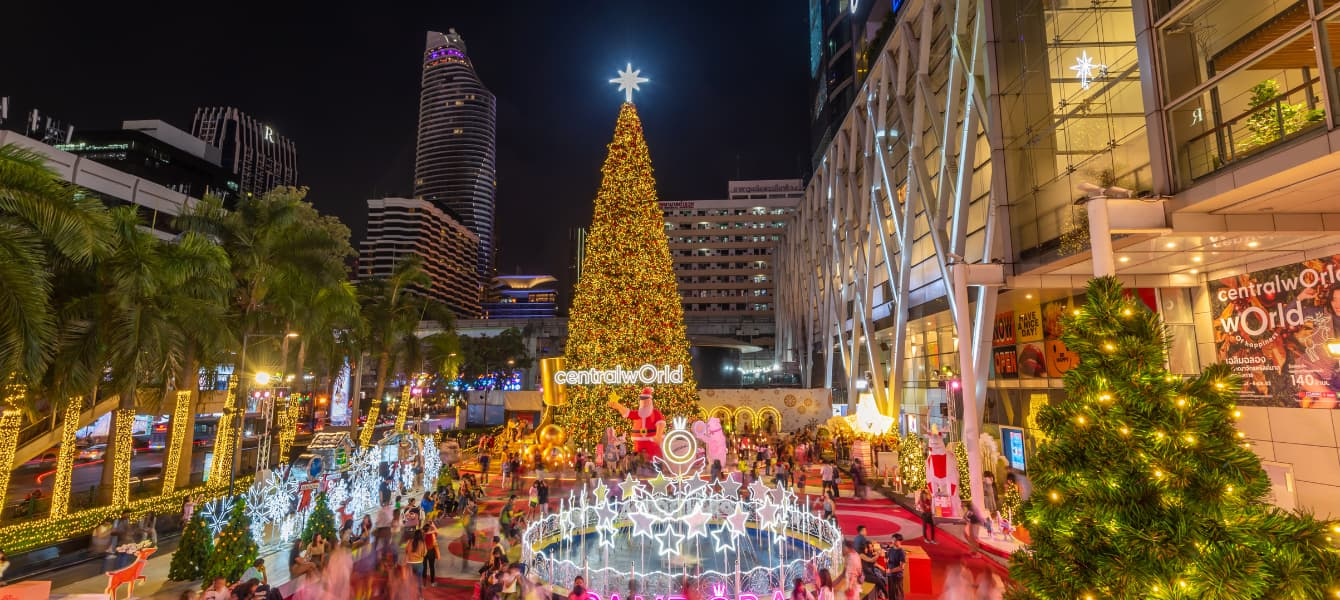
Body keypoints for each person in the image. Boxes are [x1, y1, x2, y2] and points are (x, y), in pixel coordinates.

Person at [405, 528, 428, 597]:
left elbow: (406, 551)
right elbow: (424, 553)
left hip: (409, 563)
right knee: (419, 581)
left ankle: (407, 595)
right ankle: (420, 596)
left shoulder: (410, 541)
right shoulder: (422, 543)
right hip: (419, 564)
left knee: (409, 580)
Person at [885, 534, 907, 600]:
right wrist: (886, 560)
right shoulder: (891, 549)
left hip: (897, 576)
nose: (893, 542)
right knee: (891, 593)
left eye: (895, 540)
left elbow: (901, 567)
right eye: (892, 540)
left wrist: (891, 570)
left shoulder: (901, 552)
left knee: (898, 594)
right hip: (890, 575)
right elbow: (888, 559)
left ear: (900, 541)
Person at [422, 519, 439, 585]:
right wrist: (433, 525)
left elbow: (423, 530)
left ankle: (424, 583)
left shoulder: (422, 535)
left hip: (424, 552)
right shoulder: (433, 534)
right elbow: (436, 531)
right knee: (432, 567)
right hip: (431, 552)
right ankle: (432, 582)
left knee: (424, 567)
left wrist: (428, 527)